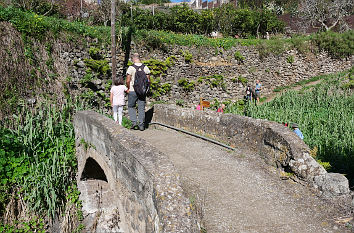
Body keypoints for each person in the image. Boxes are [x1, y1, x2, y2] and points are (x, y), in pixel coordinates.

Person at [126, 53, 151, 131]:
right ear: (139, 58)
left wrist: (128, 88)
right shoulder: (145, 67)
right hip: (142, 92)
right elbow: (148, 80)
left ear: (133, 58)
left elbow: (128, 80)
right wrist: (146, 89)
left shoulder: (131, 68)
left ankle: (134, 123)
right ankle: (141, 125)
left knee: (131, 106)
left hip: (133, 91)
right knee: (141, 108)